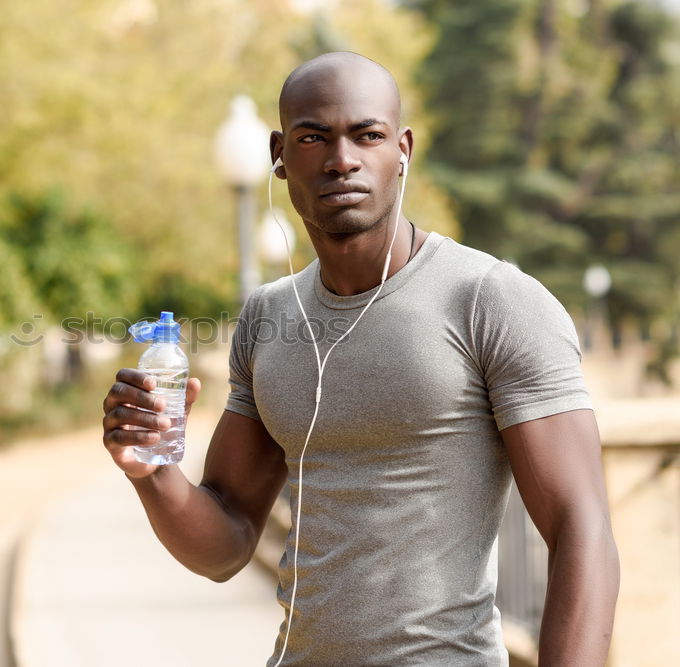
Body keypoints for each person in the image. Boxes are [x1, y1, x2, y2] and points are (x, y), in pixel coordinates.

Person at [102, 52, 619, 666]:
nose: (341, 159)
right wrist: (151, 471)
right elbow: (225, 546)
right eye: (313, 137)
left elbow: (580, 529)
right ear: (279, 153)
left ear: (401, 149)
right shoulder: (269, 317)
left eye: (366, 136)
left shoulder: (491, 300)